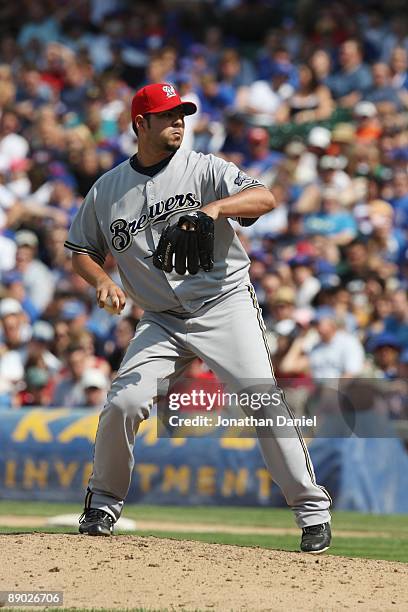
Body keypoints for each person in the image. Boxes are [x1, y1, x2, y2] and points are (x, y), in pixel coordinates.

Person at [65, 82, 332, 553]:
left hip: (224, 303)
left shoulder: (204, 167)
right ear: (140, 124)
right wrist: (102, 281)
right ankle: (103, 501)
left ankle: (312, 511)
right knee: (124, 403)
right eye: (167, 115)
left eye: (182, 114)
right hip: (162, 318)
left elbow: (265, 197)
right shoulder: (107, 190)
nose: (178, 122)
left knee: (261, 400)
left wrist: (212, 210)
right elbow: (81, 250)